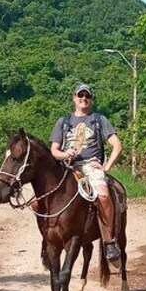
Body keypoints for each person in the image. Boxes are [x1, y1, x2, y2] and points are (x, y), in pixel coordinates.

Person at [50, 83, 123, 262]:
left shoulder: (99, 120)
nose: (84, 98)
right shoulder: (63, 121)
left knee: (104, 196)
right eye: (80, 95)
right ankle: (48, 240)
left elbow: (117, 146)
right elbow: (54, 150)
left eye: (87, 96)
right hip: (67, 167)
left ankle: (109, 241)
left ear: (90, 99)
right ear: (74, 98)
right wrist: (65, 154)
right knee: (41, 200)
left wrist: (106, 167)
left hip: (90, 167)